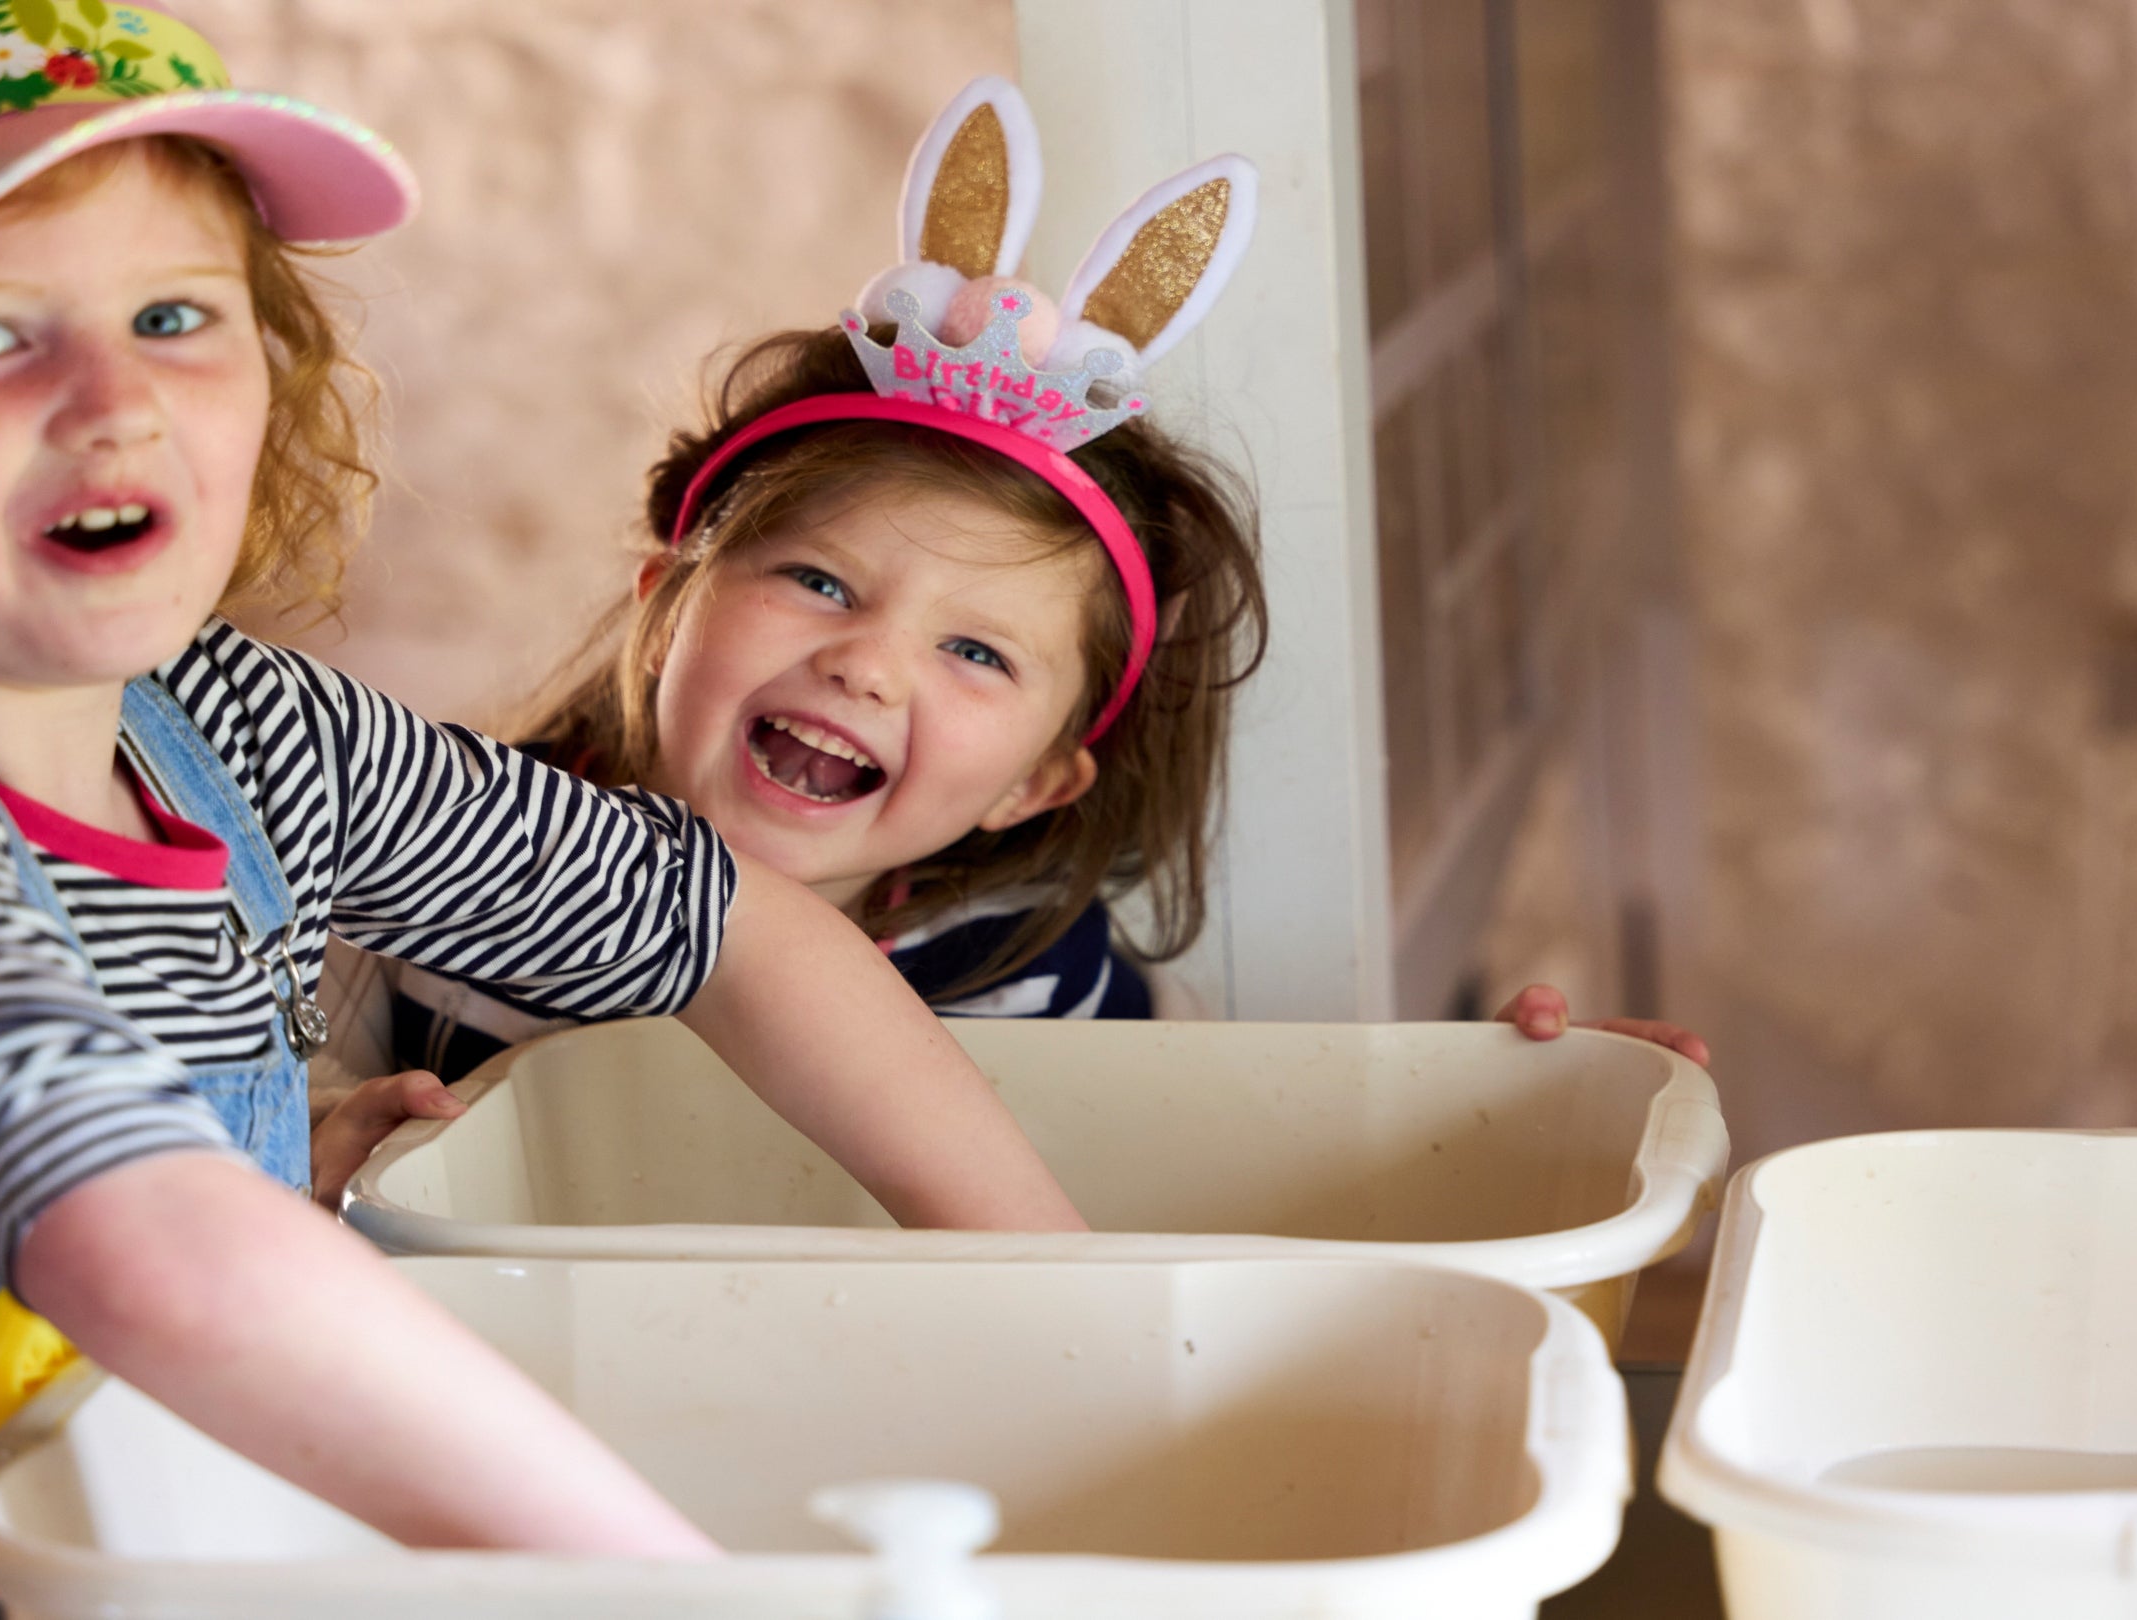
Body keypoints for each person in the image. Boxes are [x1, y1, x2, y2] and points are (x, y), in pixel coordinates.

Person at [0, 10, 1078, 1615]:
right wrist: (691, 1592)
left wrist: (1074, 1315)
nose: (114, 401)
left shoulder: (233, 725)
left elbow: (728, 928)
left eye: (175, 315)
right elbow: (148, 1245)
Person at [343, 79, 1707, 1097]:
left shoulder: (1037, 986)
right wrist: (341, 1133)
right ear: (661, 611)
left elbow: (1249, 1188)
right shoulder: (451, 862)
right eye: (819, 580)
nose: (867, 667)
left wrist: (1500, 1106)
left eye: (978, 654)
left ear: (1034, 788)